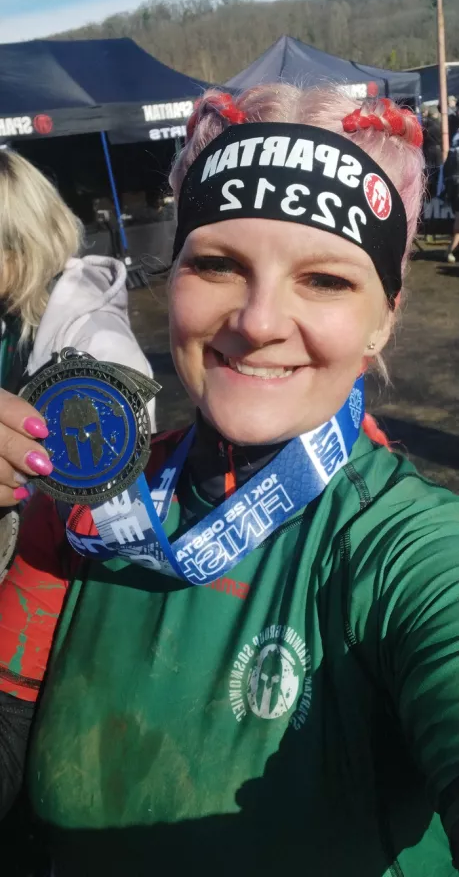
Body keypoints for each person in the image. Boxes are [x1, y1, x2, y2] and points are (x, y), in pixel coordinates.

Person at [1, 85, 459, 877]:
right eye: (216, 265)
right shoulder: (87, 501)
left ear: (385, 316)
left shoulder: (406, 546)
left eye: (324, 280)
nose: (257, 322)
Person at [0, 149, 156, 577]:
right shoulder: (13, 318)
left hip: (60, 571)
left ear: (21, 244)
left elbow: (118, 503)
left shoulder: (99, 345)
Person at [444, 131, 459, 262]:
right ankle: (451, 251)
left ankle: (451, 250)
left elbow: (445, 171)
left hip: (453, 189)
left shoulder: (452, 151)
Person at [422, 106, 443, 199]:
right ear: (435, 114)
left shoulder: (425, 125)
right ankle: (436, 194)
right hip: (437, 152)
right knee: (438, 173)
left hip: (427, 151)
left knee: (430, 173)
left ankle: (429, 194)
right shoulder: (438, 125)